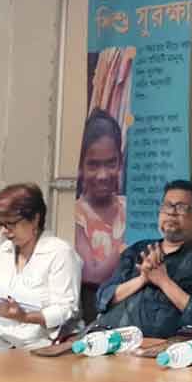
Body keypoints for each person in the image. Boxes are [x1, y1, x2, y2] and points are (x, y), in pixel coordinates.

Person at [0, 183, 82, 352]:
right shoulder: (5, 251)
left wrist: (25, 317)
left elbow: (66, 310)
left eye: (10, 224)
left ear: (35, 218)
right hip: (4, 343)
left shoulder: (60, 252)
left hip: (43, 346)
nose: (4, 232)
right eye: (0, 224)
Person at [95, 180, 192, 338]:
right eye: (167, 206)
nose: (171, 213)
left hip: (163, 351)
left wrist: (164, 282)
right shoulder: (138, 250)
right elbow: (103, 298)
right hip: (108, 339)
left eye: (181, 207)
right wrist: (143, 279)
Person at [75, 109, 126, 323]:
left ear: (120, 163)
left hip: (131, 304)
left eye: (110, 163)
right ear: (80, 167)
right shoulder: (78, 215)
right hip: (94, 309)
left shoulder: (129, 206)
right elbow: (92, 275)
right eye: (93, 165)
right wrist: (125, 248)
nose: (103, 175)